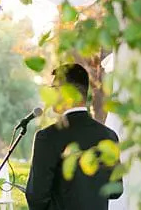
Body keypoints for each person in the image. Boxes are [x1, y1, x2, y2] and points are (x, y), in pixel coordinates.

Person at [26, 64, 123, 210]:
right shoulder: (109, 136)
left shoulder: (47, 137)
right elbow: (116, 191)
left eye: (54, 89)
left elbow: (36, 197)